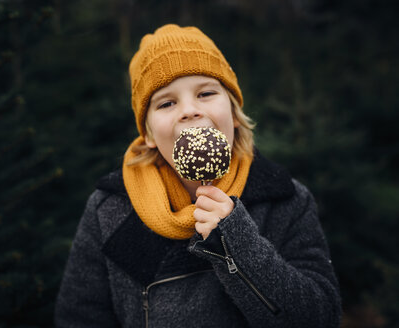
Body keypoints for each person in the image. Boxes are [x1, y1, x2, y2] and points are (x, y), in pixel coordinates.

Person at [55, 24, 341, 328]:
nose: (189, 110)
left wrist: (237, 240)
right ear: (149, 133)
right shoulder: (110, 210)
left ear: (232, 111)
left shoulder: (285, 200)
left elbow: (320, 317)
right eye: (167, 103)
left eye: (205, 93)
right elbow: (79, 317)